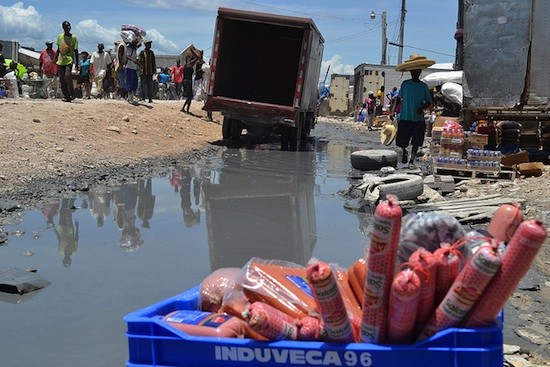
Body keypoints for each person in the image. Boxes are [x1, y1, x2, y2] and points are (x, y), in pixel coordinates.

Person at [394, 54, 435, 168]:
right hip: (405, 117)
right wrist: (393, 111)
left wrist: (421, 108)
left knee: (417, 141)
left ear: (420, 71)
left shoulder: (423, 87)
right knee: (402, 140)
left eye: (417, 71)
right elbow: (399, 98)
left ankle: (411, 160)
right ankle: (404, 151)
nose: (415, 73)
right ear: (411, 72)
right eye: (413, 71)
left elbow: (429, 102)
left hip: (418, 119)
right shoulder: (405, 84)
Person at [55, 20, 78, 102]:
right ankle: (67, 96)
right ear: (63, 28)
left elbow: (75, 51)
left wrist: (77, 63)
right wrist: (55, 58)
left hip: (69, 59)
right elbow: (58, 49)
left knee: (67, 75)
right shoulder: (60, 37)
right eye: (66, 26)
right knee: (62, 79)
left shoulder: (74, 38)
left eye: (69, 26)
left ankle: (72, 92)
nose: (68, 28)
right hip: (61, 60)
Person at [125, 39, 140, 104]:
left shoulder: (135, 49)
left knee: (135, 83)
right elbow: (127, 56)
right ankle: (130, 98)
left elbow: (140, 44)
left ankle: (130, 97)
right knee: (130, 83)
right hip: (129, 68)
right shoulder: (129, 49)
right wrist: (133, 60)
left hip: (134, 68)